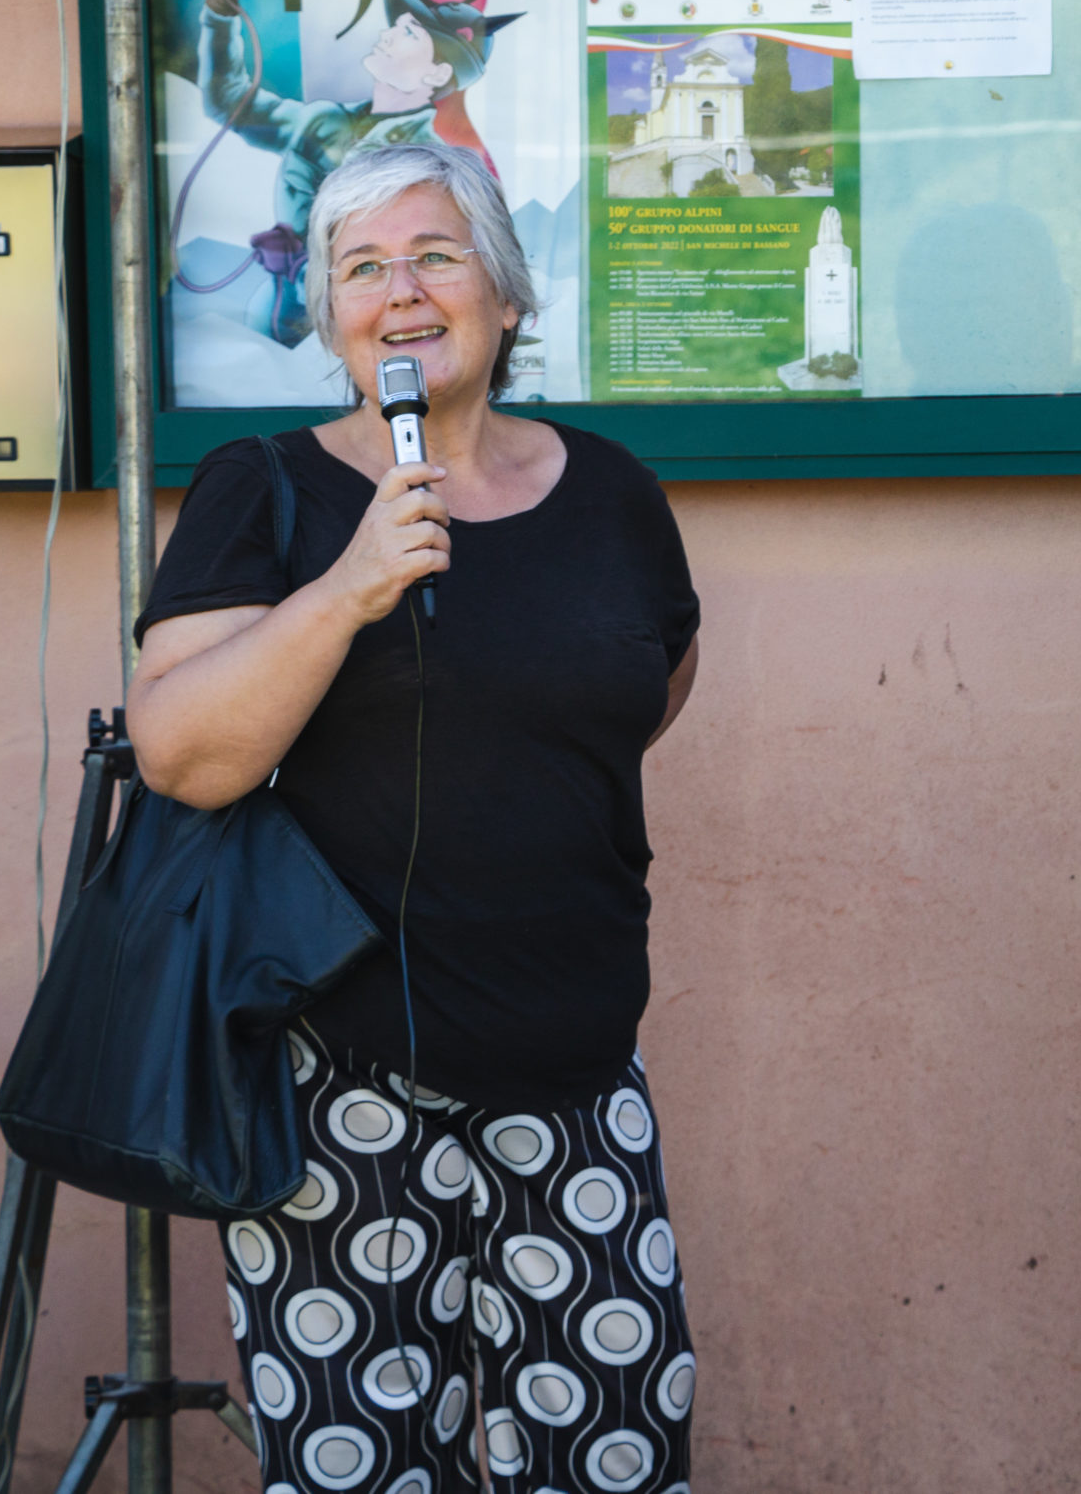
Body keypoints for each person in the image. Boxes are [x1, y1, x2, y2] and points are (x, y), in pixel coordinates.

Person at [127, 142, 702, 1494]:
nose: (401, 293)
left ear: (505, 293)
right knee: (363, 1467)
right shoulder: (267, 487)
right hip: (339, 1083)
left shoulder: (611, 490)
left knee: (614, 1448)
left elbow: (653, 684)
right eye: (363, 267)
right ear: (328, 314)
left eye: (437, 256)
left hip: (575, 1071)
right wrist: (349, 588)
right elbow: (182, 754)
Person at [195, 0, 518, 342]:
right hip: (275, 327)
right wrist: (222, 3)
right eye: (397, 26)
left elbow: (401, 273)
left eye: (408, 34)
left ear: (438, 73)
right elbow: (228, 100)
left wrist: (299, 264)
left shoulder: (432, 171)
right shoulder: (323, 121)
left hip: (370, 337)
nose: (387, 35)